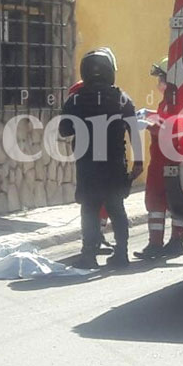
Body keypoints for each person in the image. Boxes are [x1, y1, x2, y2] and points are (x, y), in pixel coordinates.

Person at [60, 49, 144, 269]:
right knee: (116, 208)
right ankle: (122, 254)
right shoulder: (123, 98)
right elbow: (134, 132)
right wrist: (139, 162)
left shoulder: (75, 99)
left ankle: (88, 256)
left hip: (88, 164)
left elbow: (64, 130)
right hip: (115, 163)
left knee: (89, 208)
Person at [133, 57, 183, 260]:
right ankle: (157, 243)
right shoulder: (169, 100)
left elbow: (172, 127)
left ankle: (172, 242)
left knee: (169, 200)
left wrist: (148, 125)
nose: (158, 84)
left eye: (161, 79)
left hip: (169, 158)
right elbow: (165, 117)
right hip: (161, 158)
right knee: (156, 200)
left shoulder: (178, 100)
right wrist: (150, 114)